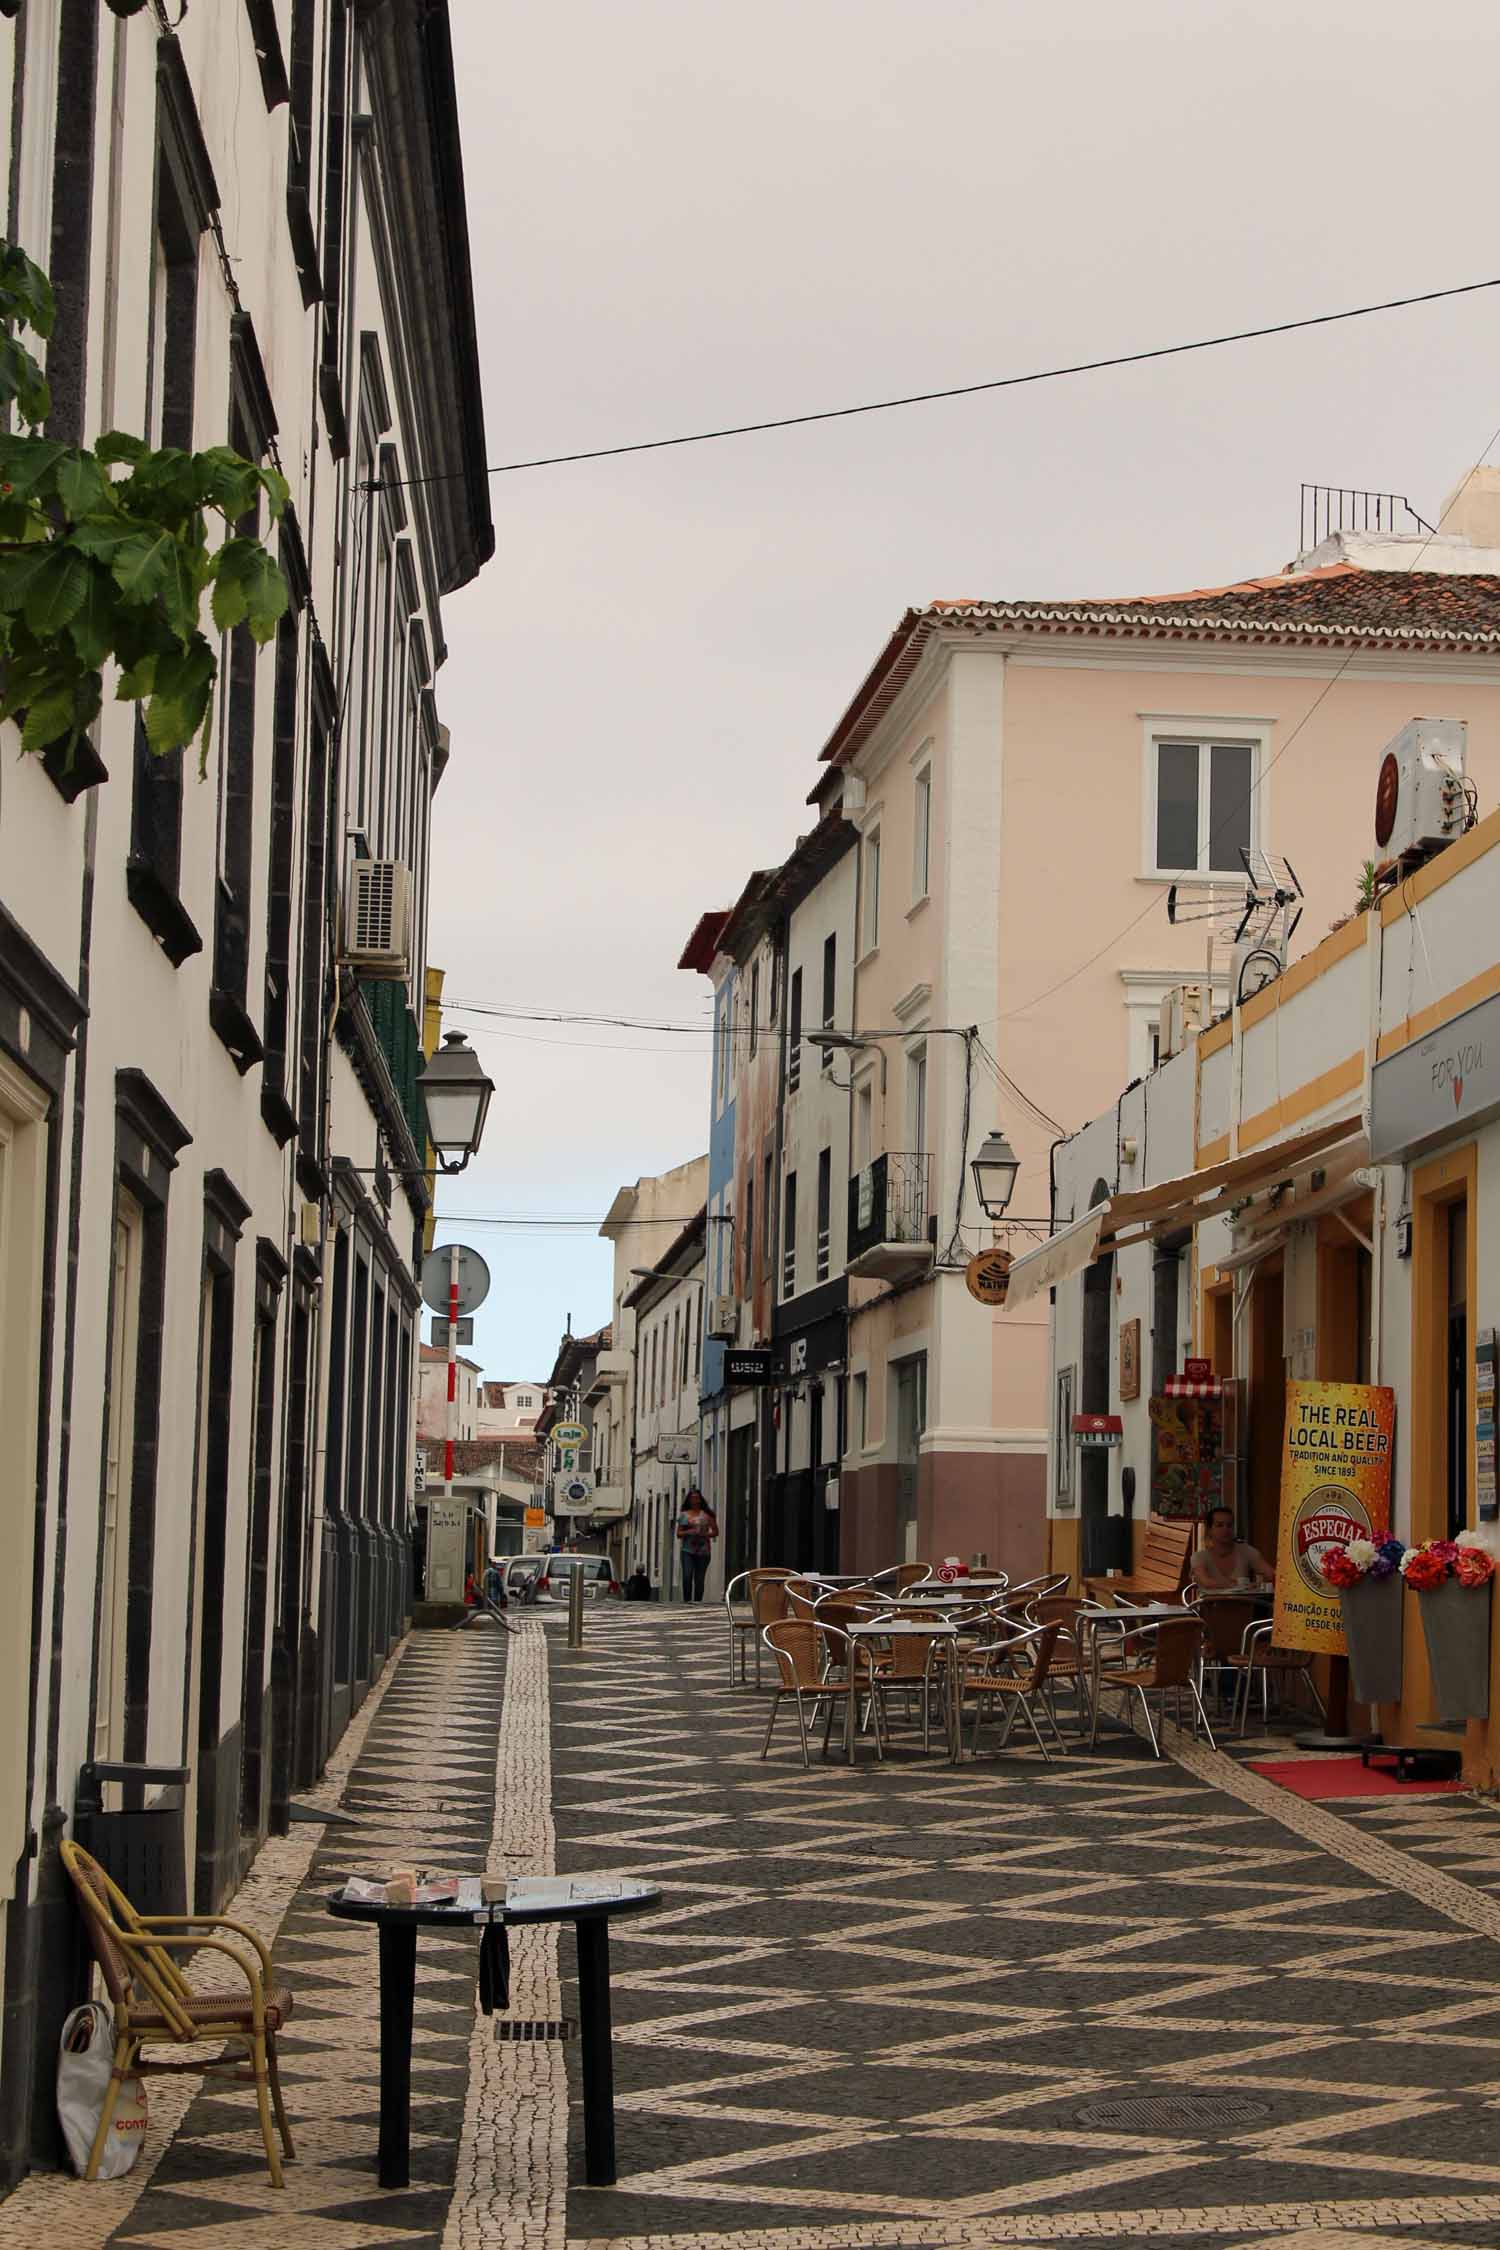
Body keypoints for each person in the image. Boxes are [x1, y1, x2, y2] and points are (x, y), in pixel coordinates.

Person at [1192, 1504, 1275, 1593]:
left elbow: (1271, 1574)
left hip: (1243, 1605)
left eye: (1229, 1525)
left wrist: (1261, 1584)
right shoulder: (1199, 1557)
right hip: (1211, 1605)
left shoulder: (1246, 1551)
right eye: (1220, 1525)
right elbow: (1206, 1582)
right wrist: (1240, 1585)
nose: (1226, 1529)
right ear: (1209, 1529)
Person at [675, 1488, 719, 1603]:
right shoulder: (684, 1515)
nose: (695, 1500)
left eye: (697, 1498)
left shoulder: (707, 1515)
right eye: (692, 1498)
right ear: (689, 1500)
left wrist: (705, 1534)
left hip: (703, 1552)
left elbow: (715, 1532)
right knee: (687, 1576)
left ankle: (697, 1602)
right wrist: (688, 1532)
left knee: (699, 1579)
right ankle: (687, 1601)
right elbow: (678, 1534)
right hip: (687, 1550)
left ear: (700, 1500)